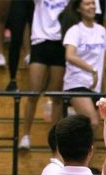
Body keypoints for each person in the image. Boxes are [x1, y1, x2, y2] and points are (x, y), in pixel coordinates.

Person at [19, 0, 68, 150]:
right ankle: (25, 135)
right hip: (40, 43)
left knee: (56, 97)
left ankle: (54, 139)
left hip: (60, 44)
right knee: (33, 93)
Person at [61, 0, 106, 133]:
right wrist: (91, 70)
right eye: (87, 4)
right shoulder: (74, 30)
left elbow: (101, 62)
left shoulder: (102, 30)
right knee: (92, 122)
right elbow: (70, 56)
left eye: (93, 3)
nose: (91, 6)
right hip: (76, 83)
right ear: (78, 9)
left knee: (94, 125)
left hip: (95, 87)